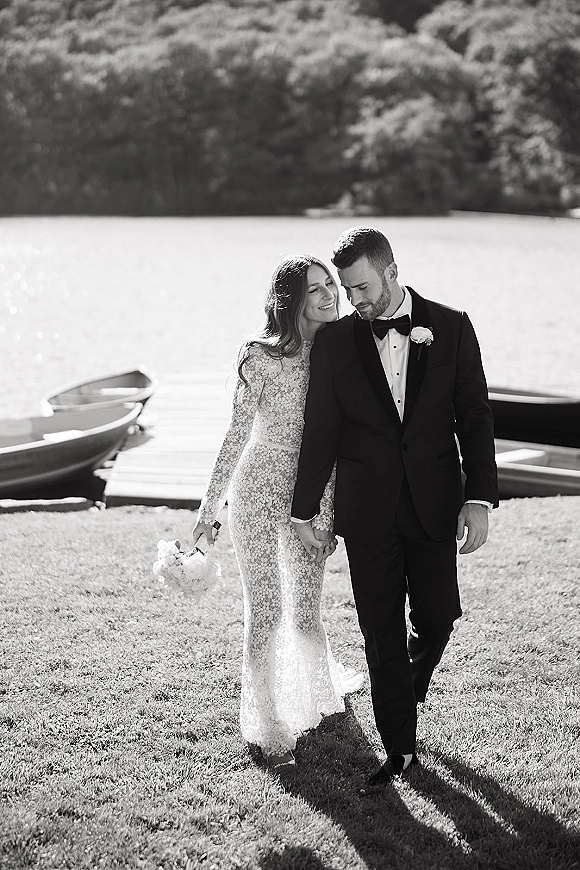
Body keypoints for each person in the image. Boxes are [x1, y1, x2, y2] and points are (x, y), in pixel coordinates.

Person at [291, 226, 499, 787]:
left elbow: (474, 417)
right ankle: (400, 750)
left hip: (434, 502)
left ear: (391, 271)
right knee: (380, 632)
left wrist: (478, 498)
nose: (353, 300)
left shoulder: (452, 326)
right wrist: (304, 510)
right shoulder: (336, 343)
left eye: (362, 287)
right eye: (347, 290)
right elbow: (321, 429)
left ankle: (404, 687)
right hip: (367, 511)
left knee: (438, 615)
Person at [192, 254, 363, 770]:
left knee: (306, 612)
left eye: (330, 285)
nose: (329, 295)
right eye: (315, 289)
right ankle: (267, 722)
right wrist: (209, 509)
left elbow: (343, 440)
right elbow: (237, 433)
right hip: (257, 490)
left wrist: (327, 513)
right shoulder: (260, 356)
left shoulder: (340, 350)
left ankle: (317, 695)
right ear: (291, 300)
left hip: (313, 492)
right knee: (266, 610)